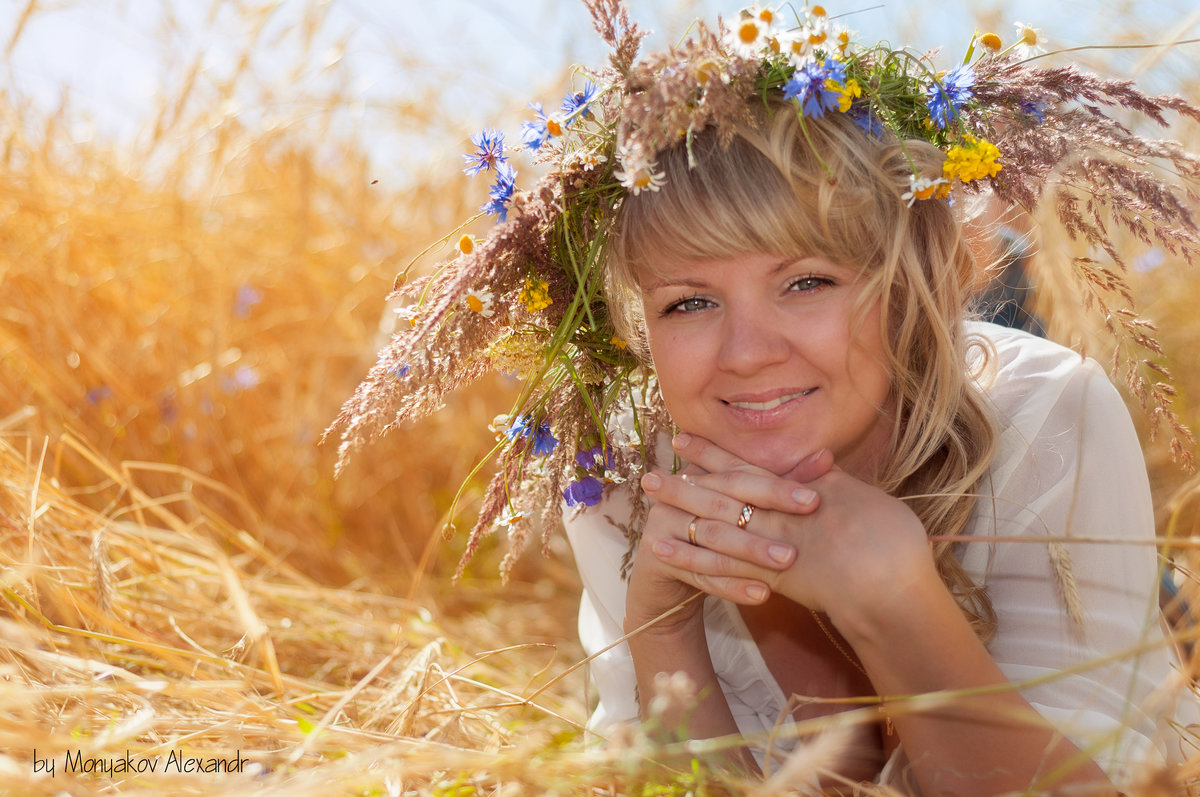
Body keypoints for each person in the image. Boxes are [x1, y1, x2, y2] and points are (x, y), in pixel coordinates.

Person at [327, 3, 1200, 793]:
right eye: (690, 302)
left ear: (901, 287)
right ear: (639, 327)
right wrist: (663, 630)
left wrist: (895, 595)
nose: (746, 353)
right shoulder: (625, 471)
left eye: (807, 281)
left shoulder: (1051, 417)